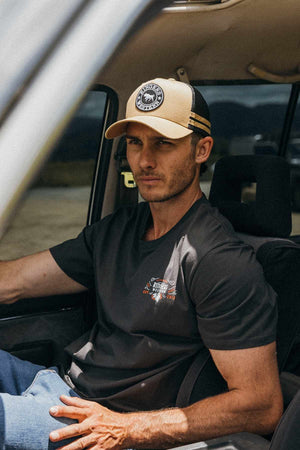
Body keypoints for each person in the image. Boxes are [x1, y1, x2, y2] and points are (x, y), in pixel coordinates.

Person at [0, 78, 283, 450]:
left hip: (103, 422)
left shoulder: (219, 260)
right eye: (135, 142)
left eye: (163, 143)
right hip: (58, 386)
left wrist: (124, 429)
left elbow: (261, 406)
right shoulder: (119, 228)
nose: (145, 160)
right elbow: (14, 280)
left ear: (202, 150)